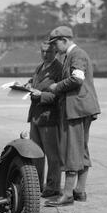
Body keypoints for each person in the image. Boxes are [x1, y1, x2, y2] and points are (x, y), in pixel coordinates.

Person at [45, 26, 101, 207]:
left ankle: (68, 194)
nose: (54, 48)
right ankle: (80, 190)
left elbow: (77, 79)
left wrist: (57, 87)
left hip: (77, 109)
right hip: (82, 107)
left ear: (64, 40)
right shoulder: (73, 55)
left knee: (72, 150)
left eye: (55, 44)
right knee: (81, 149)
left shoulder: (76, 54)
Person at [26, 42, 63, 198]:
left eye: (48, 51)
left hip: (49, 117)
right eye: (43, 51)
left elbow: (59, 94)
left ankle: (53, 186)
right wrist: (27, 84)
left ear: (55, 52)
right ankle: (38, 185)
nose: (45, 54)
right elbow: (35, 81)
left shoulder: (59, 69)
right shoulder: (40, 67)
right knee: (36, 154)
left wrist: (40, 95)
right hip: (35, 116)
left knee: (52, 155)